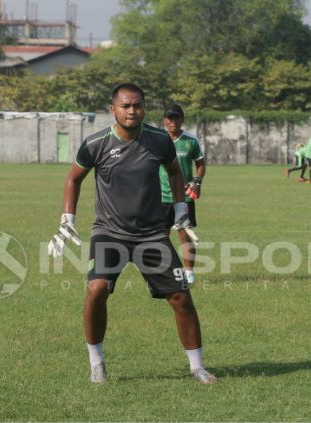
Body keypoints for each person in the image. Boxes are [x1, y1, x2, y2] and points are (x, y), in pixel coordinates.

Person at [47, 83, 218, 385]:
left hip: (152, 234)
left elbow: (176, 172)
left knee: (181, 297)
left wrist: (180, 207)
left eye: (137, 105)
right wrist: (67, 219)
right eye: (125, 106)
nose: (131, 111)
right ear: (112, 109)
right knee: (96, 290)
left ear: (143, 107)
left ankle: (197, 367)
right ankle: (97, 364)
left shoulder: (159, 140)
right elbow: (73, 180)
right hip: (109, 232)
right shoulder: (95, 143)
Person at [159, 104, 206, 286]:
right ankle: (165, 272)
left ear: (182, 119)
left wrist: (197, 181)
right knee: (161, 236)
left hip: (184, 197)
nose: (173, 121)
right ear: (164, 120)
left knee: (184, 236)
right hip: (161, 196)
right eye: (170, 118)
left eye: (176, 117)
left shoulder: (191, 141)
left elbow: (200, 164)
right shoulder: (158, 140)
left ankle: (188, 273)